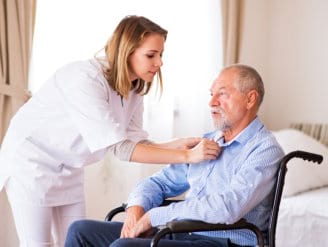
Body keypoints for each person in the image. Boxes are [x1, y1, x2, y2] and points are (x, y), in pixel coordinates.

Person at [0, 15, 220, 247]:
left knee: (75, 239)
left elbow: (136, 141)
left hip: (70, 167)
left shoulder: (135, 88)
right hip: (32, 162)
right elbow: (122, 149)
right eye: (151, 55)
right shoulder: (84, 78)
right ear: (127, 51)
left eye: (161, 55)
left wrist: (177, 143)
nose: (159, 63)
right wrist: (187, 156)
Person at [65, 64, 285, 247]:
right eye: (211, 94)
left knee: (124, 246)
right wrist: (136, 210)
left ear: (250, 99)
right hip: (183, 234)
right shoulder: (208, 142)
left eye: (222, 94)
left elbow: (228, 208)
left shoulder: (264, 150)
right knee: (81, 231)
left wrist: (154, 216)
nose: (211, 102)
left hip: (224, 243)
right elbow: (158, 183)